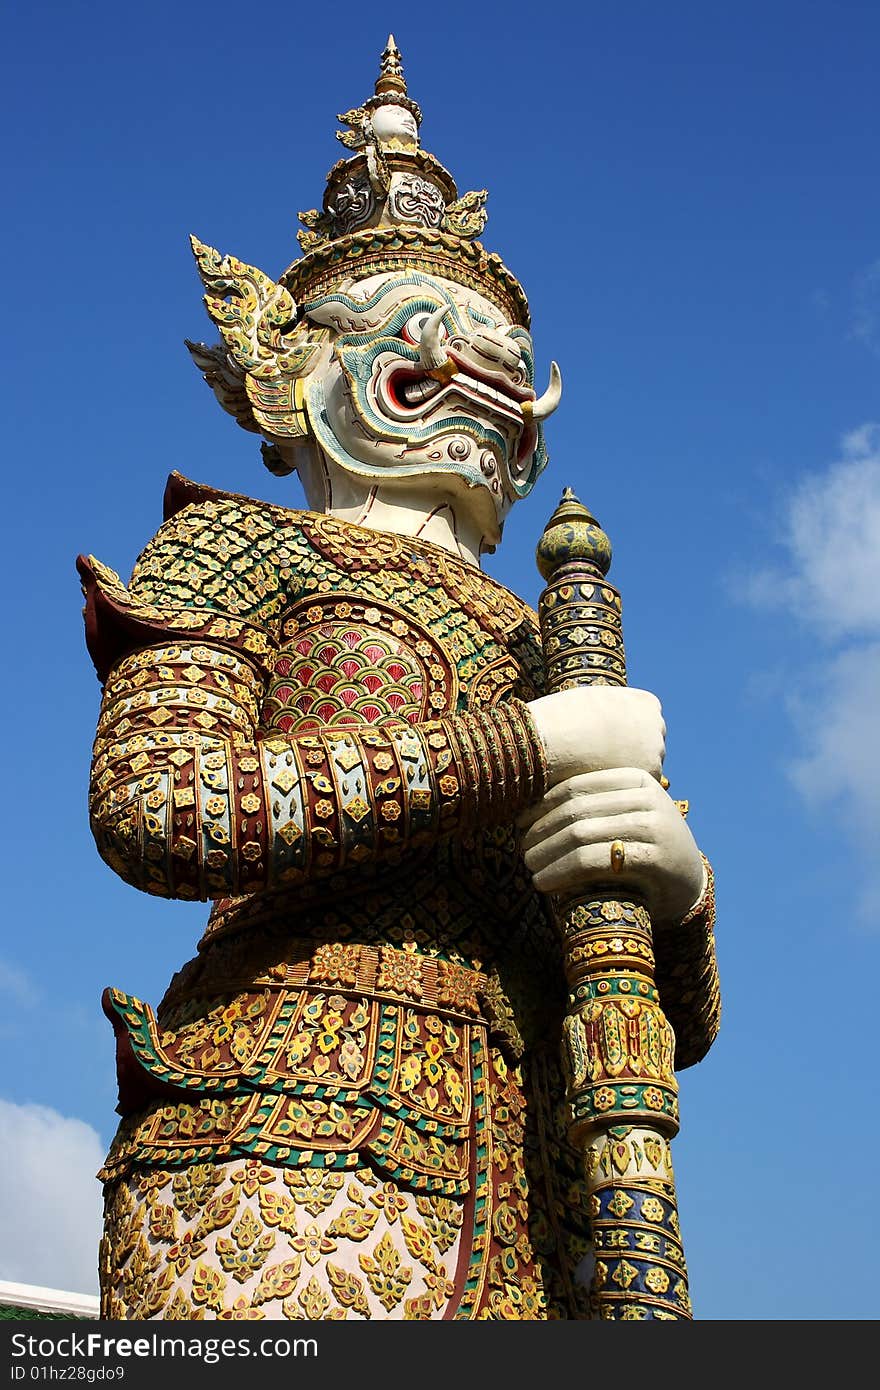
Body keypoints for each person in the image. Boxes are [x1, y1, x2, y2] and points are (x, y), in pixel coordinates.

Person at [80, 38, 718, 1321]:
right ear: (301, 370)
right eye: (437, 345)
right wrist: (522, 750)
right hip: (292, 1121)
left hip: (548, 1175)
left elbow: (663, 1016)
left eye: (505, 353)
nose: (484, 376)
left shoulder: (552, 636)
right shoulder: (239, 544)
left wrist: (680, 890)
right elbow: (157, 804)